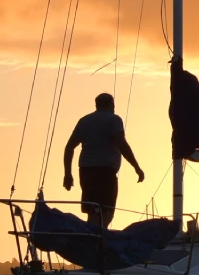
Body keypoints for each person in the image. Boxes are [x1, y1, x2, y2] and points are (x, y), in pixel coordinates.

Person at [62, 93, 144, 230]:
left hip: (86, 172)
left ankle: (92, 237)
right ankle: (96, 241)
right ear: (112, 105)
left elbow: (69, 147)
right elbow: (122, 144)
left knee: (93, 210)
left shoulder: (84, 121)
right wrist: (137, 167)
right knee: (106, 211)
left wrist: (68, 174)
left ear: (97, 105)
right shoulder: (114, 120)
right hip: (105, 172)